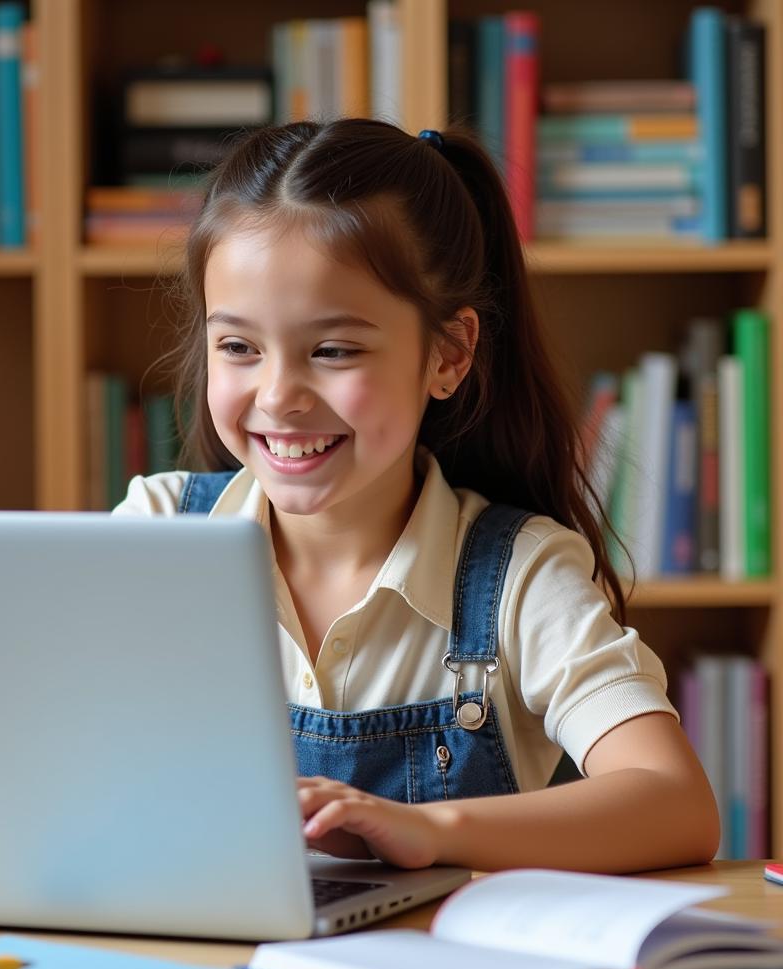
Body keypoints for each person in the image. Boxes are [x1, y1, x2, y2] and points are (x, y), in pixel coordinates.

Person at [112, 118, 719, 874]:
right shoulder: (156, 532)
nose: (278, 396)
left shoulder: (520, 578)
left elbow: (677, 803)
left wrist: (429, 828)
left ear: (449, 354)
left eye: (333, 350)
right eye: (238, 346)